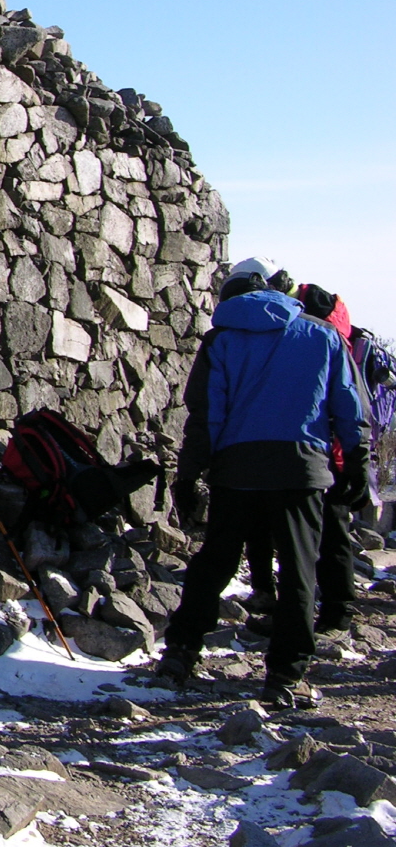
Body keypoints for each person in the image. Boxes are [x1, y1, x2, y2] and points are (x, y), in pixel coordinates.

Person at [153, 259, 365, 708]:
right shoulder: (323, 335)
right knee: (298, 571)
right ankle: (286, 677)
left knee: (215, 562)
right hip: (301, 468)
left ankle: (180, 653)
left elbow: (206, 415)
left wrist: (189, 474)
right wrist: (356, 464)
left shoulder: (221, 339)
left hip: (237, 468)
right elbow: (348, 406)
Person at [297, 283, 373, 632]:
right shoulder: (343, 340)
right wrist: (358, 461)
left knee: (307, 538)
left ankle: (319, 611)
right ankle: (336, 610)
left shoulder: (312, 340)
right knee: (334, 535)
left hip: (314, 453)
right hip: (339, 455)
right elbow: (356, 409)